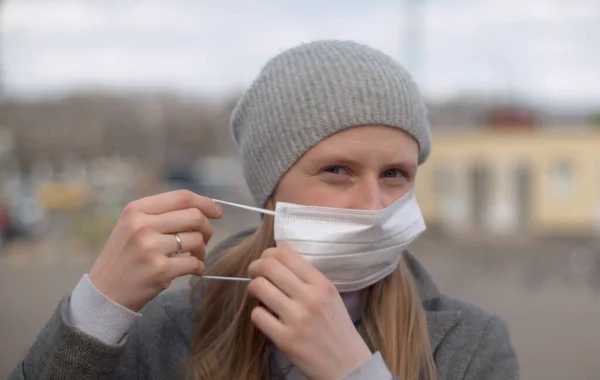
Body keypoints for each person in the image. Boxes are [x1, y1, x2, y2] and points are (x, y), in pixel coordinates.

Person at [9, 40, 519, 380]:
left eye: (395, 175)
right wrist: (98, 308)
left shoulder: (470, 344)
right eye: (338, 170)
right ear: (270, 190)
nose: (374, 206)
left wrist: (355, 372)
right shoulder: (169, 327)